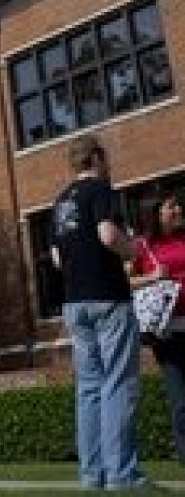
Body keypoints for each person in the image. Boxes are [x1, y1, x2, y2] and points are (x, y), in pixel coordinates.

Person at [51, 135, 152, 490]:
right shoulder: (101, 191)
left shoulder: (60, 203)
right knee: (118, 384)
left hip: (74, 303)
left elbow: (56, 259)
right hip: (108, 298)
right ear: (95, 158)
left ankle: (92, 474)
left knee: (89, 388)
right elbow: (108, 235)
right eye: (105, 158)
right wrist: (133, 251)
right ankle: (123, 475)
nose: (108, 164)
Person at [131, 193, 185, 462]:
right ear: (157, 213)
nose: (178, 209)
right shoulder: (142, 246)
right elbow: (123, 281)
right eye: (171, 206)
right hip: (167, 332)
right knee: (181, 399)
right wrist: (154, 276)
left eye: (177, 205)